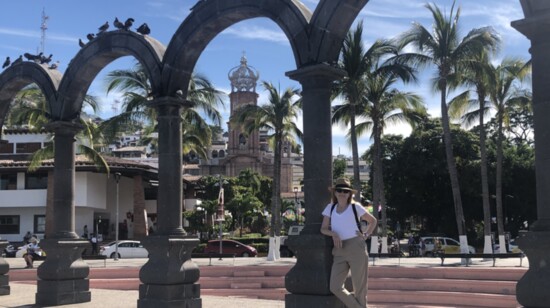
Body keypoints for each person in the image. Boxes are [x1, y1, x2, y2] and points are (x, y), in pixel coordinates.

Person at [320, 178, 378, 308]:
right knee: (335, 286)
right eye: (339, 190)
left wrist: (365, 235)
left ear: (349, 194)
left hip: (356, 247)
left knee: (360, 289)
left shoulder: (355, 207)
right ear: (335, 193)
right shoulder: (330, 208)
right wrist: (333, 233)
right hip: (339, 250)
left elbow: (373, 221)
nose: (342, 193)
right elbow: (323, 229)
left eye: (345, 191)